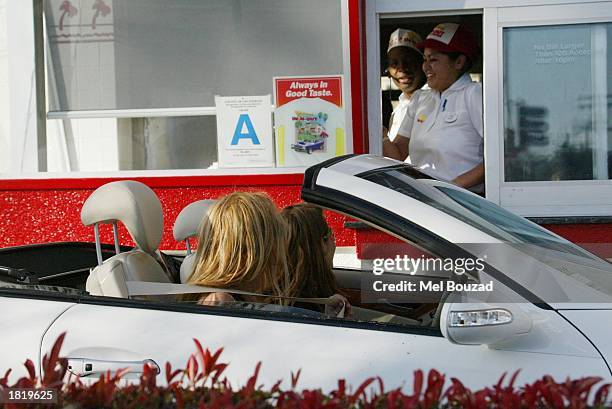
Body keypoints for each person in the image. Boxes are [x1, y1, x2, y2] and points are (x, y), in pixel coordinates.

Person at [389, 23, 484, 192]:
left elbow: (502, 156)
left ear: (459, 62)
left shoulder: (474, 94)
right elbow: (396, 156)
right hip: (427, 198)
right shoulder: (420, 98)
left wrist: (453, 187)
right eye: (424, 60)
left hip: (466, 202)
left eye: (432, 60)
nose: (425, 67)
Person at [187, 191, 291, 305]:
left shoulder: (249, 295)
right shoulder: (220, 301)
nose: (283, 254)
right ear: (249, 254)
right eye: (278, 244)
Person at [281, 203, 350, 316]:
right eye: (331, 234)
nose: (334, 242)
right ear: (323, 244)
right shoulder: (308, 307)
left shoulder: (282, 297)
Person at [382, 28, 427, 158]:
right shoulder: (399, 108)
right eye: (394, 64)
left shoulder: (433, 100)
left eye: (409, 61)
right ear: (388, 71)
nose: (402, 69)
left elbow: (397, 157)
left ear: (422, 64)